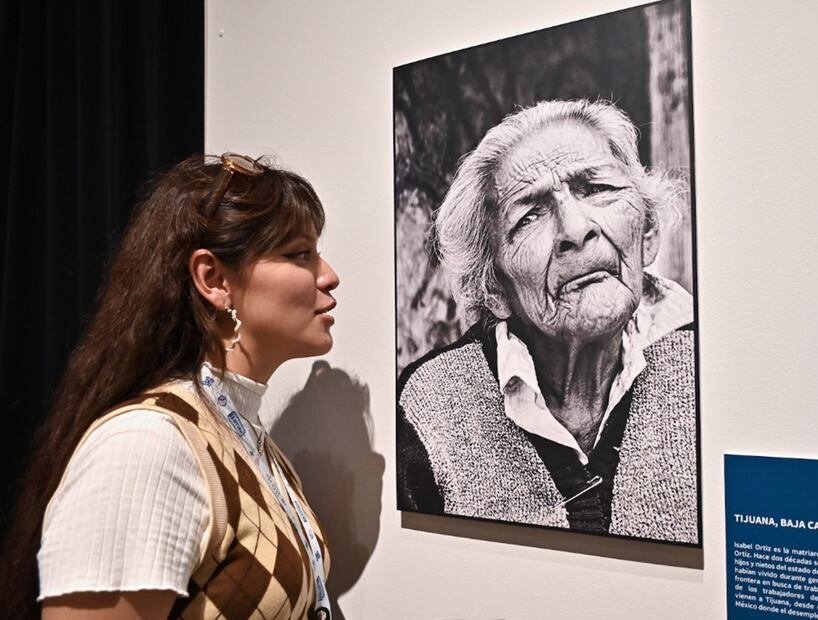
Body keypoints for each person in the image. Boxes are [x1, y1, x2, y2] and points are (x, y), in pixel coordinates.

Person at [2, 153, 340, 619]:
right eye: (299, 253)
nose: (328, 275)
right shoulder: (145, 445)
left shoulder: (245, 437)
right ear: (214, 279)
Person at [397, 99, 698, 544]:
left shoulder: (707, 366)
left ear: (648, 232)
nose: (575, 230)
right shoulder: (431, 405)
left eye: (595, 188)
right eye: (530, 215)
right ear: (494, 286)